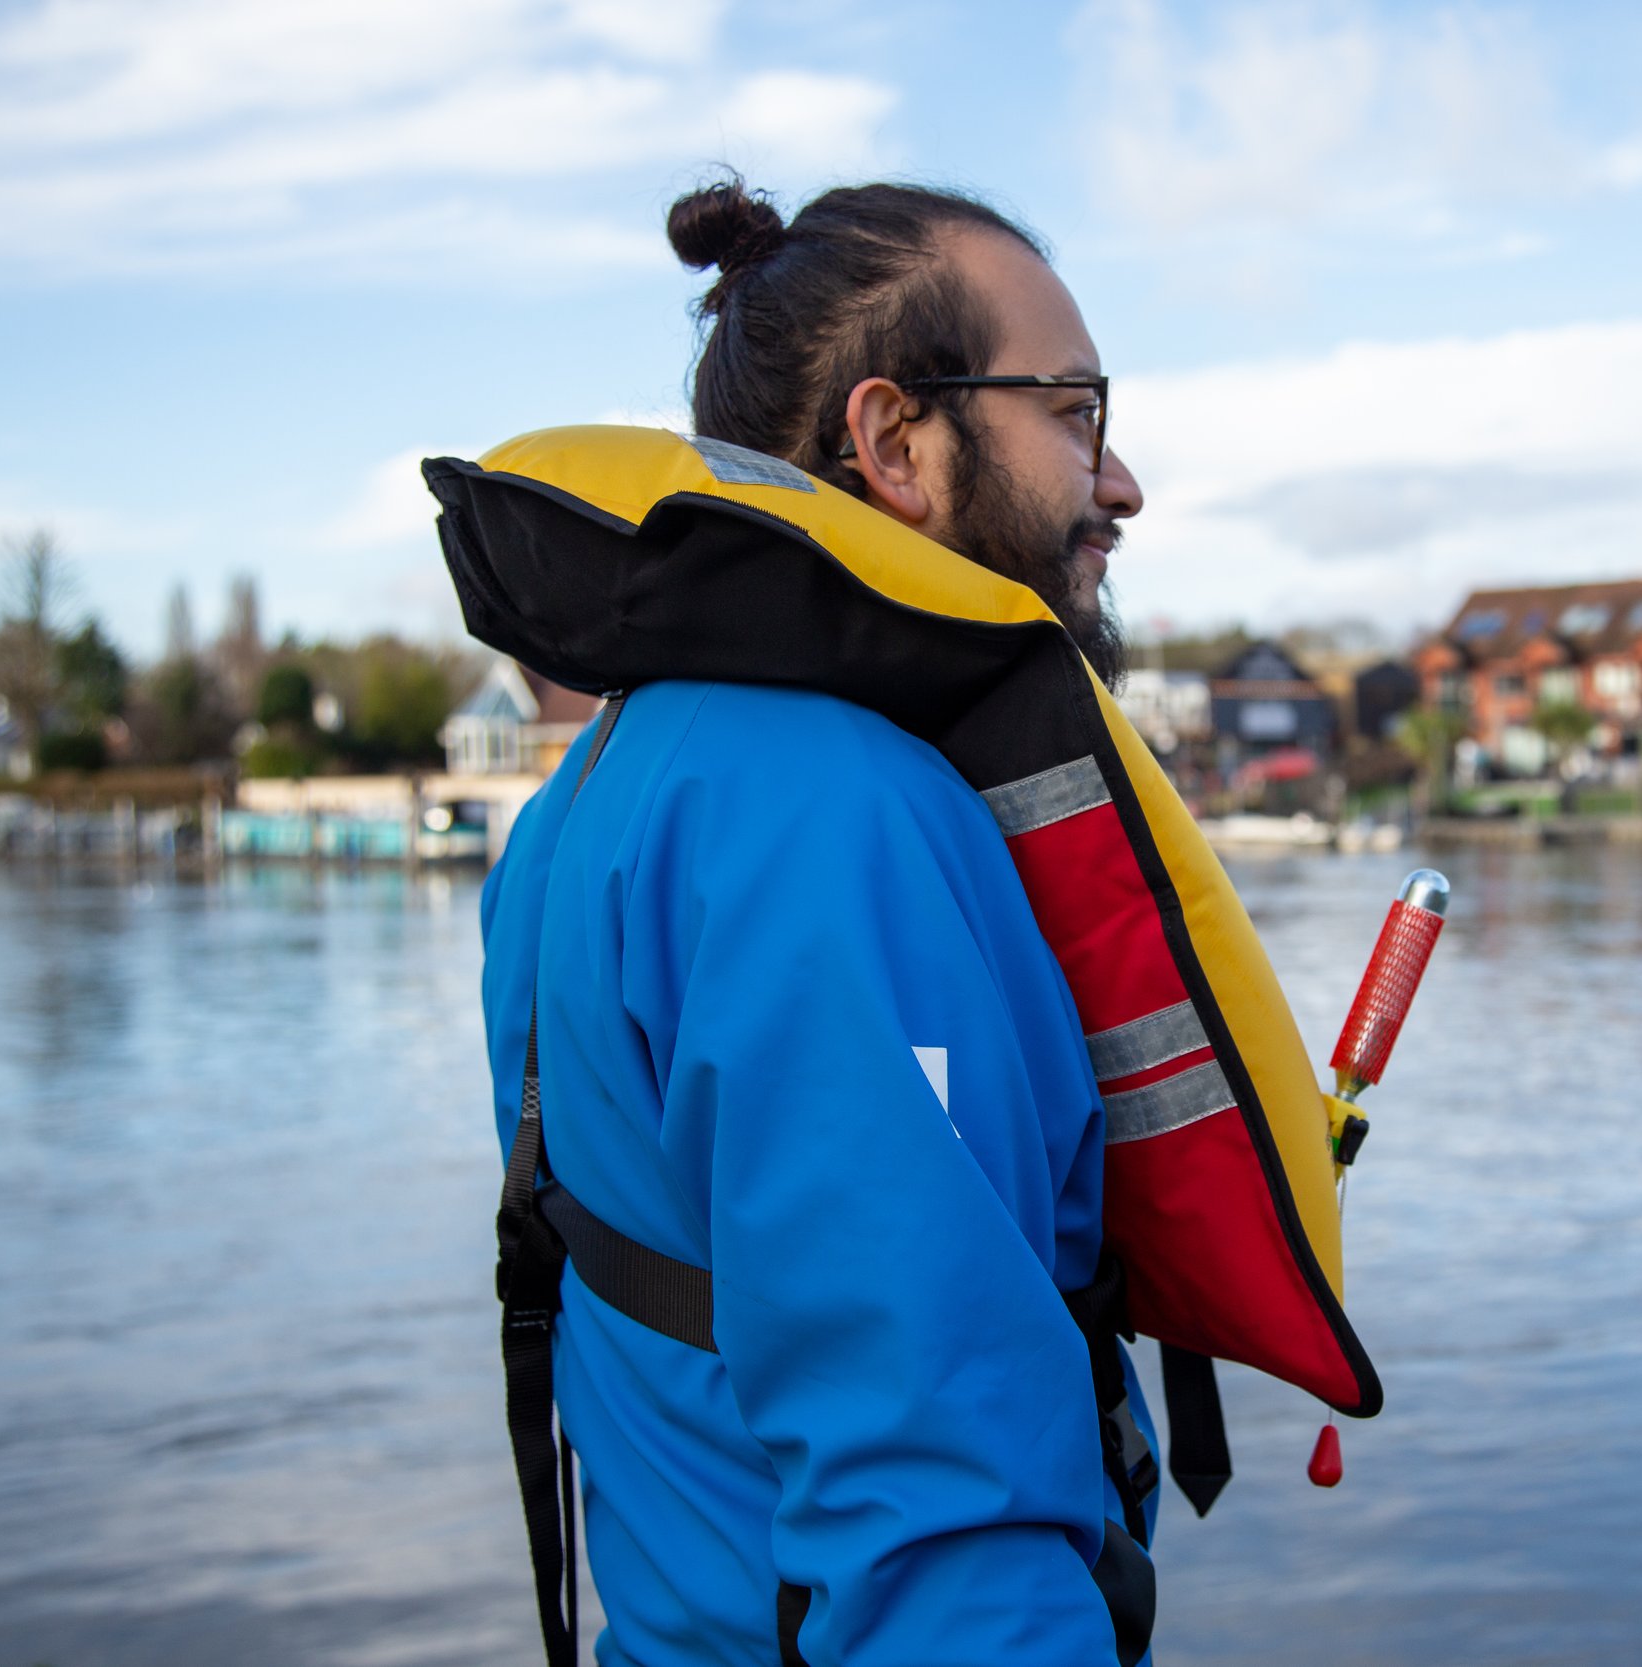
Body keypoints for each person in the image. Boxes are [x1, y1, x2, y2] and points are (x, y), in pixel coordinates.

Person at [477, 177, 1152, 1664]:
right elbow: (933, 1491)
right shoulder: (834, 816)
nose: (1121, 483)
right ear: (894, 440)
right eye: (1074, 411)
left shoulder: (588, 805)